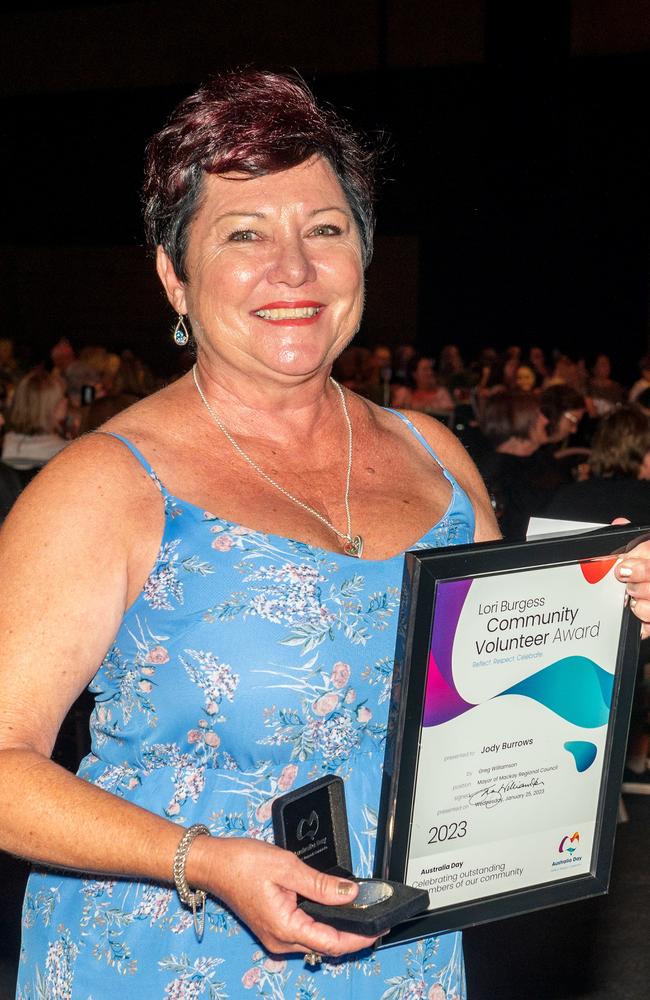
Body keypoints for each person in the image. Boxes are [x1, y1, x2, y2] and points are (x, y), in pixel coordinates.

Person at [1, 71, 649, 1000]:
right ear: (172, 273)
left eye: (326, 229)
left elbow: (502, 691)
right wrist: (207, 861)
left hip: (401, 955)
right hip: (172, 953)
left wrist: (616, 612)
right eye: (244, 234)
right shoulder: (107, 485)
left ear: (365, 256)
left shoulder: (435, 457)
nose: (294, 270)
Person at [1, 367, 68, 473]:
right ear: (50, 407)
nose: (66, 401)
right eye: (62, 397)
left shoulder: (6, 443)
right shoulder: (64, 452)